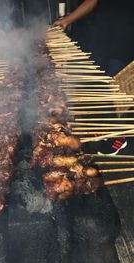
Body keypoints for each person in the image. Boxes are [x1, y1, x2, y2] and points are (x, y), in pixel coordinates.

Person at [53, 0, 134, 155]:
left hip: (126, 40)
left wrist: (67, 20)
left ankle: (118, 137)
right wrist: (67, 20)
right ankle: (104, 129)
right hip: (103, 35)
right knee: (100, 85)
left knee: (120, 90)